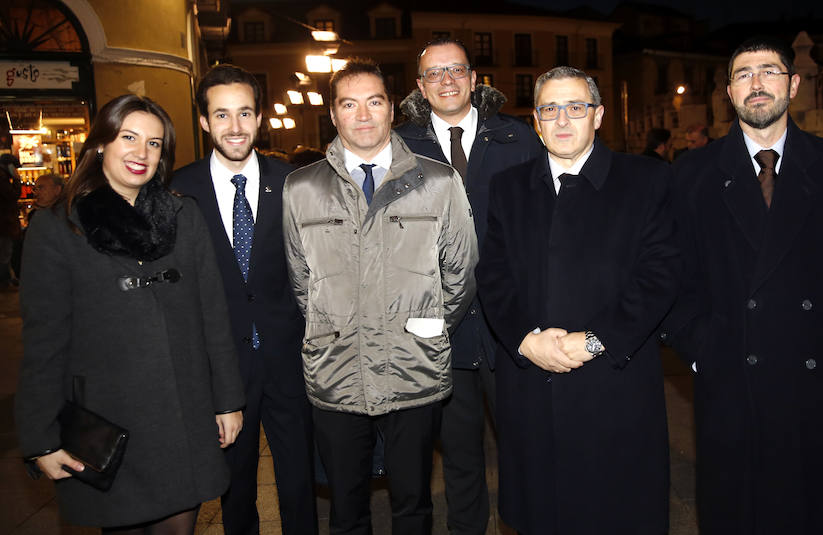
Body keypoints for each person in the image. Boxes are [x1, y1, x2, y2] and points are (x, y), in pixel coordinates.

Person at [660, 36, 823, 534]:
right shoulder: (693, 173)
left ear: (793, 84)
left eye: (769, 71)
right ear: (728, 92)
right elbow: (673, 275)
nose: (757, 83)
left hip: (817, 378)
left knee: (815, 512)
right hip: (730, 380)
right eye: (744, 74)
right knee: (736, 514)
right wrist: (700, 350)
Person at [15, 94, 245, 533]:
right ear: (101, 142)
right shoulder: (57, 226)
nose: (142, 153)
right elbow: (44, 343)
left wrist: (229, 400)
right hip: (109, 419)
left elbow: (212, 314)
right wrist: (40, 439)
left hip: (184, 410)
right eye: (129, 137)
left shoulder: (183, 216)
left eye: (155, 144)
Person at [476, 66, 679, 534]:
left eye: (575, 107)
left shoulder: (646, 180)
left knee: (616, 513)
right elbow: (494, 275)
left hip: (614, 380)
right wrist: (525, 341)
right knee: (541, 514)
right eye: (549, 109)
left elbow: (660, 274)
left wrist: (595, 340)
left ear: (599, 115)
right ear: (535, 121)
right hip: (532, 386)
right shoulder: (509, 187)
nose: (562, 119)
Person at [282, 58, 478, 534]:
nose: (363, 115)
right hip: (337, 372)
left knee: (413, 504)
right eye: (350, 104)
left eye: (374, 101)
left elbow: (461, 272)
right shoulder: (301, 187)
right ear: (333, 114)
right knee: (346, 509)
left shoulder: (438, 181)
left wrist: (425, 326)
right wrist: (336, 326)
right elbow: (301, 281)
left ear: (392, 108)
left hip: (413, 369)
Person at [394, 37, 543, 534]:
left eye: (456, 70)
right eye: (434, 74)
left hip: (511, 322)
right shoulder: (402, 147)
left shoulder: (517, 139)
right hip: (441, 325)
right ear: (420, 86)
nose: (446, 81)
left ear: (474, 79)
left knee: (525, 445)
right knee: (458, 453)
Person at [171, 64, 316, 535]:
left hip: (289, 357)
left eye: (245, 113)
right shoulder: (177, 190)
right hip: (221, 367)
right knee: (234, 488)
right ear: (204, 122)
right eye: (222, 115)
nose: (235, 127)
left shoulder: (295, 181)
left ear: (260, 119)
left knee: (300, 483)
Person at [0, 153, 22, 290]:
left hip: (5, 223)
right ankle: (5, 281)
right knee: (5, 253)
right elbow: (13, 195)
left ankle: (7, 278)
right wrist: (17, 180)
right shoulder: (2, 180)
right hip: (4, 224)